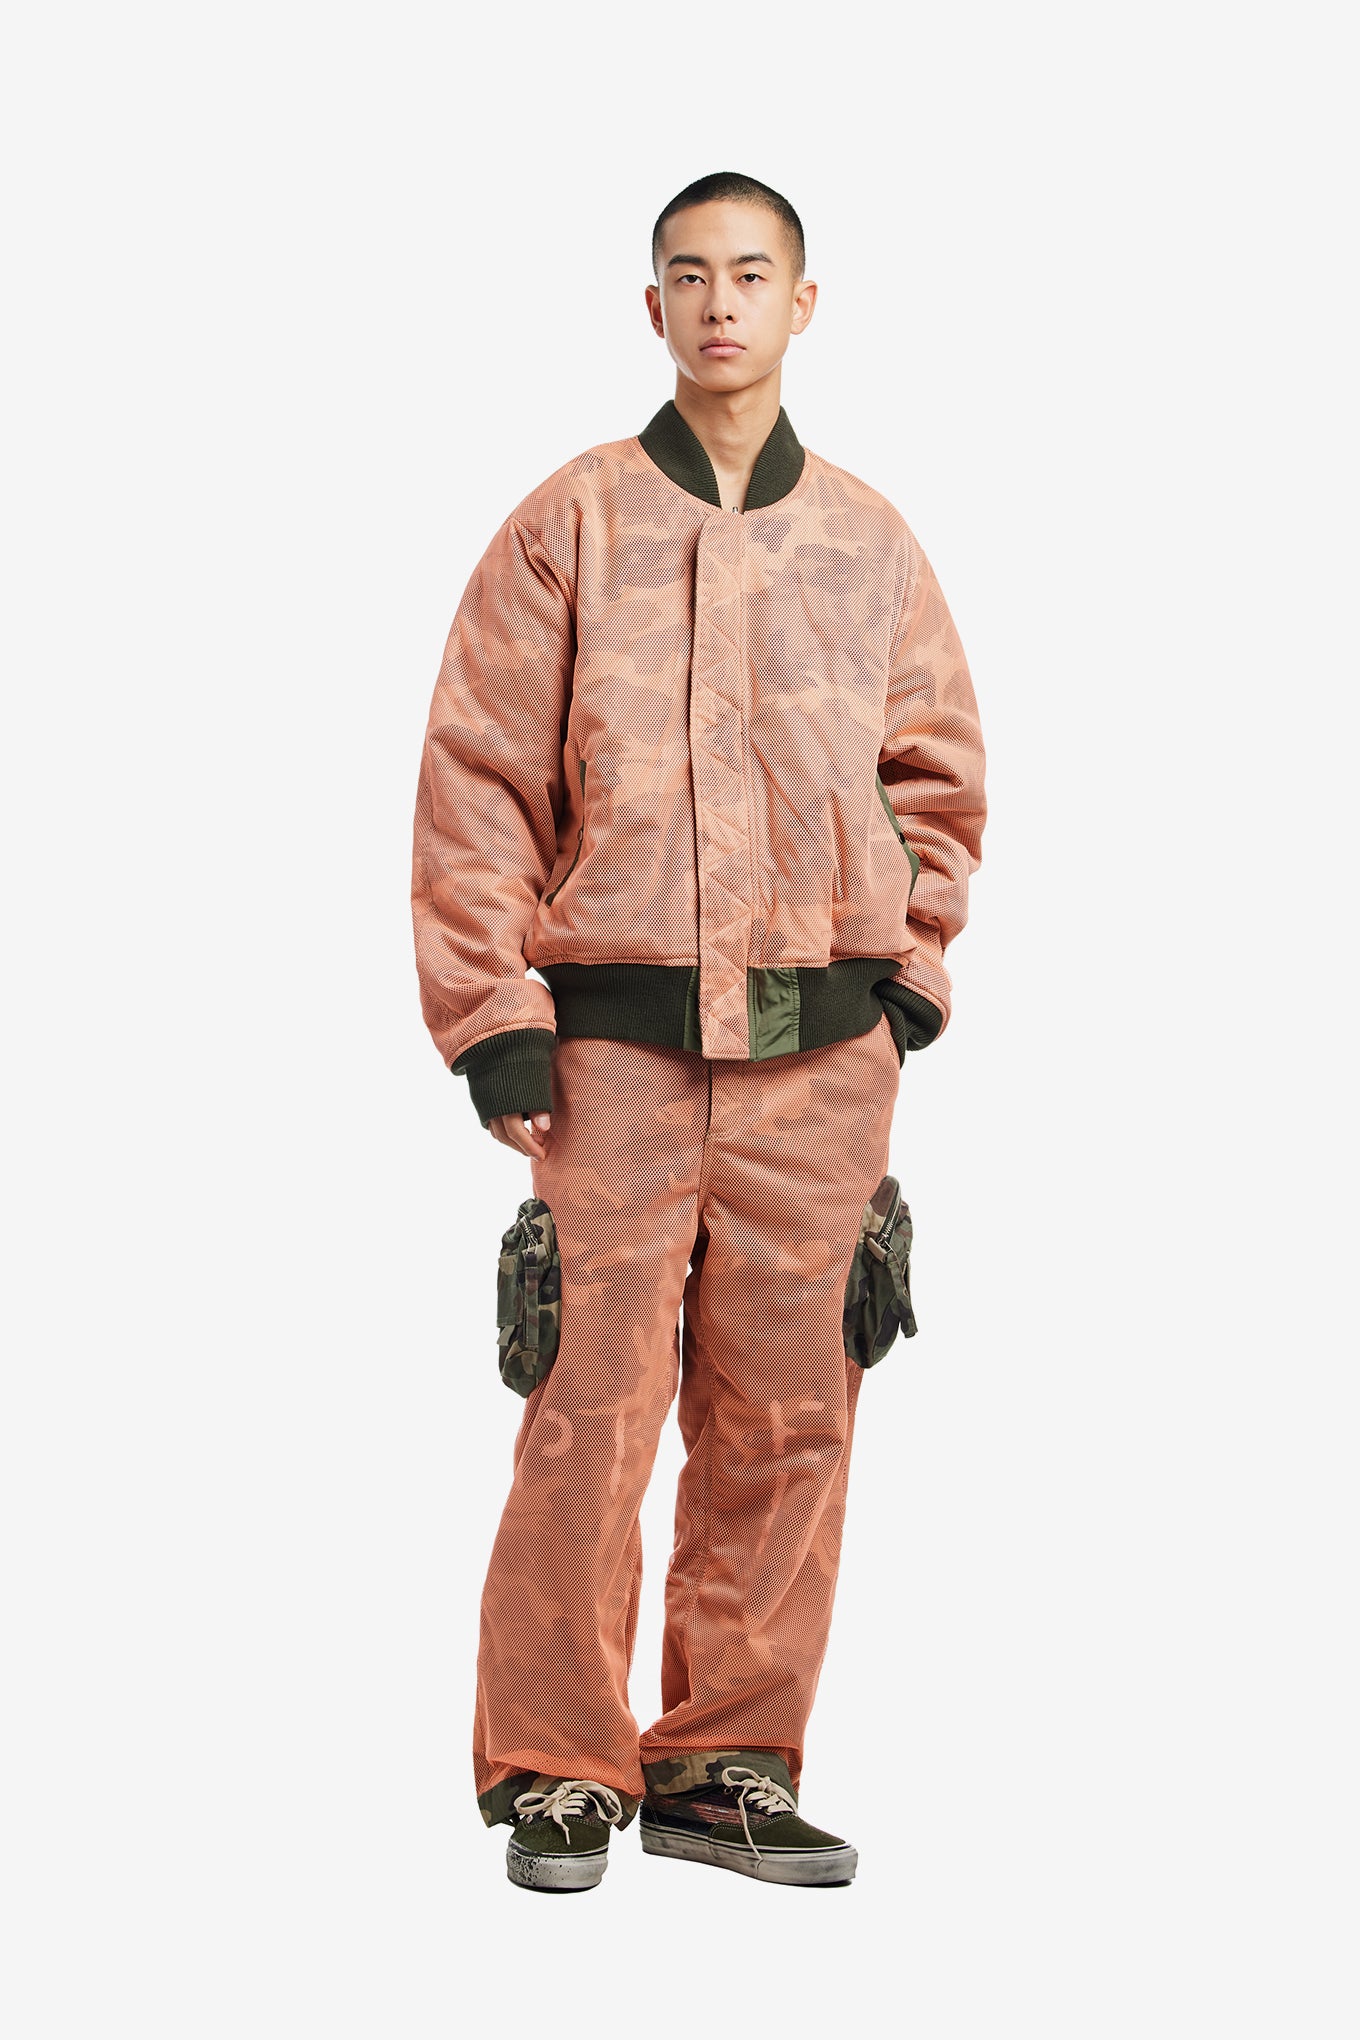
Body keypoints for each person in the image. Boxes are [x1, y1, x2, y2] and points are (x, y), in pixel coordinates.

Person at [410, 170, 987, 1891]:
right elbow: (478, 781)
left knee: (790, 1416)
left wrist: (909, 973)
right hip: (614, 1062)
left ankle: (726, 1760)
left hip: (825, 1065)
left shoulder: (873, 542)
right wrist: (494, 1017)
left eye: (751, 274)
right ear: (650, 305)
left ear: (804, 303)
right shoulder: (569, 523)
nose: (720, 302)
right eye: (688, 274)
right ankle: (559, 1765)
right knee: (587, 1408)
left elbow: (938, 775)